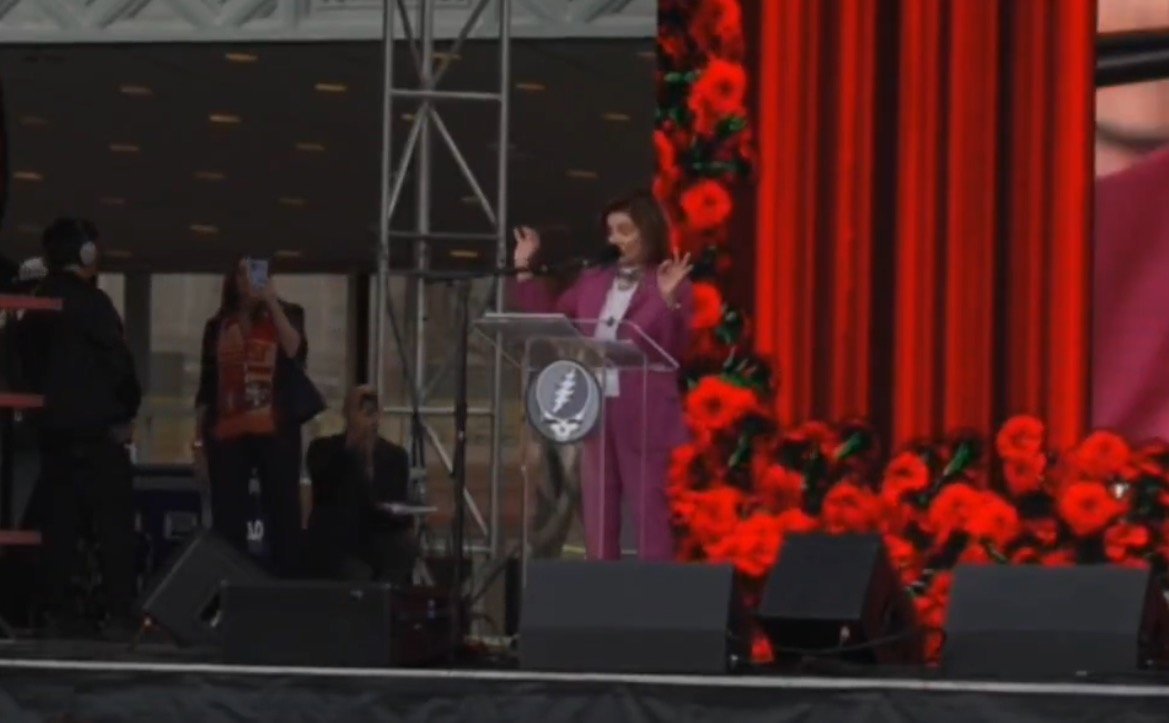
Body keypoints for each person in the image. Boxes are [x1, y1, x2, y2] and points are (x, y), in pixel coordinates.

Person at [509, 189, 694, 561]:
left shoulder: (671, 280)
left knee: (648, 512)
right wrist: (525, 270)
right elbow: (550, 318)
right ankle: (602, 594)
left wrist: (667, 300)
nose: (615, 240)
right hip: (597, 405)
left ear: (648, 230)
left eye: (624, 230)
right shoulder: (593, 281)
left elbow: (670, 348)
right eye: (611, 232)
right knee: (598, 511)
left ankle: (654, 599)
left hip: (645, 409)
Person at [17, 218, 141, 638]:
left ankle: (53, 612)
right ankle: (119, 616)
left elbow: (21, 368)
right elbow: (119, 367)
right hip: (96, 435)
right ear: (86, 254)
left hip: (53, 437)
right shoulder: (95, 304)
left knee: (58, 528)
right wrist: (125, 411)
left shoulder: (35, 305)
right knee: (113, 531)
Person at [193, 258, 308, 577]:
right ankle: (231, 582)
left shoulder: (290, 313)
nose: (248, 279)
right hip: (228, 429)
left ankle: (286, 585)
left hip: (275, 427)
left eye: (255, 272)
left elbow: (293, 350)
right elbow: (206, 387)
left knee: (282, 509)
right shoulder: (219, 325)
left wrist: (271, 301)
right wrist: (199, 443)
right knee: (229, 514)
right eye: (241, 272)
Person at [303, 385, 416, 585]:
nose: (367, 412)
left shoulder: (396, 456)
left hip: (377, 534)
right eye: (361, 406)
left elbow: (395, 504)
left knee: (404, 547)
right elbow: (326, 488)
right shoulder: (322, 449)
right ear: (346, 412)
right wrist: (354, 443)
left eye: (372, 407)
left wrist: (370, 460)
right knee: (355, 572)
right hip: (337, 539)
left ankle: (387, 604)